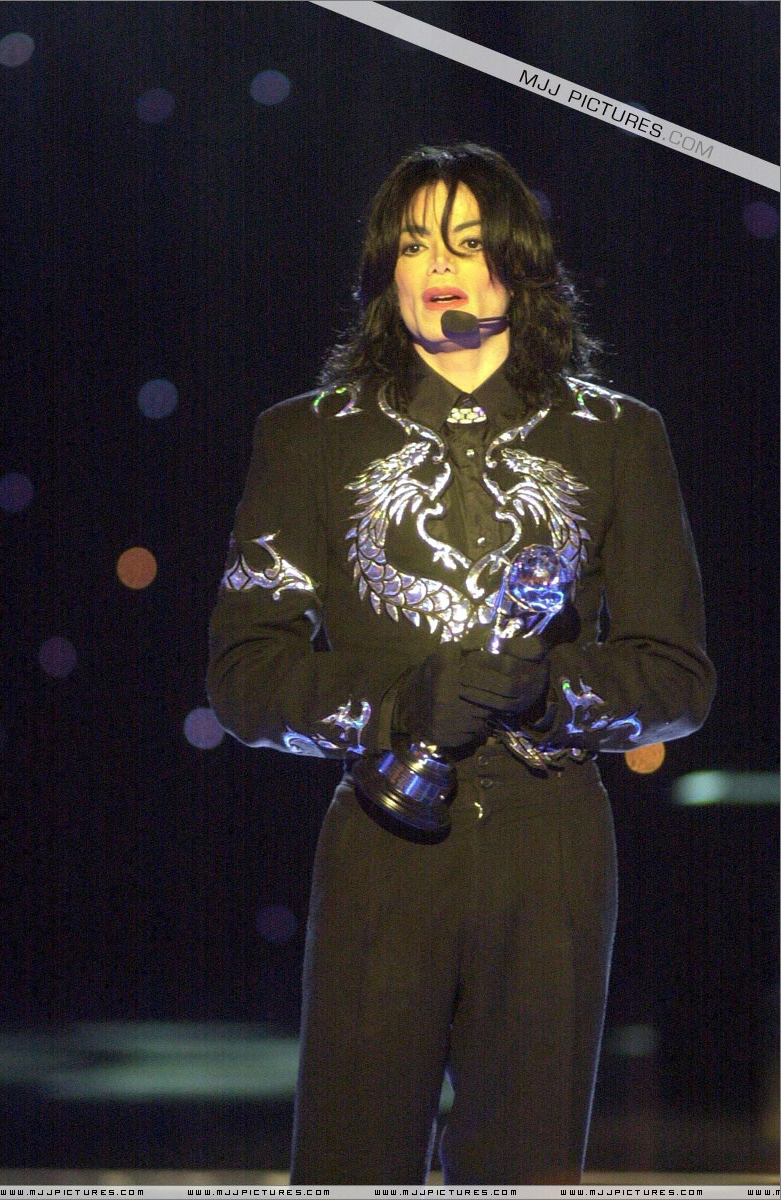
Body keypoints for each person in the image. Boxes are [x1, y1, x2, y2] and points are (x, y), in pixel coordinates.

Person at [206, 143, 715, 1185]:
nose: (437, 264)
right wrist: (398, 703)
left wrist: (554, 691)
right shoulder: (306, 438)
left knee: (524, 1165)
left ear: (519, 264)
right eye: (412, 243)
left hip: (552, 851)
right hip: (381, 837)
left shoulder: (618, 435)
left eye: (467, 241)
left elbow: (677, 678)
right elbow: (244, 679)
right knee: (350, 1160)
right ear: (383, 270)